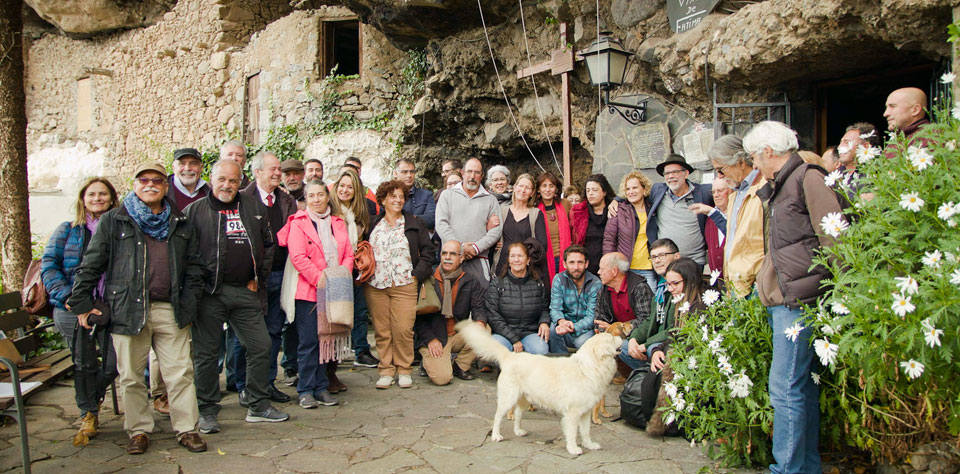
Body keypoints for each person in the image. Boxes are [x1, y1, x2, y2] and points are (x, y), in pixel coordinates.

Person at [67, 163, 206, 455]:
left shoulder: (180, 221)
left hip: (172, 309)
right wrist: (81, 303)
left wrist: (190, 300)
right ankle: (139, 430)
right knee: (130, 375)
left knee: (180, 372)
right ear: (135, 184)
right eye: (144, 179)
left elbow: (194, 267)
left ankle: (187, 429)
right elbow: (91, 264)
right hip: (128, 309)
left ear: (166, 186)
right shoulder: (114, 221)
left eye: (157, 180)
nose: (151, 184)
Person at [744, 120, 844, 474]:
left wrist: (840, 292)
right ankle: (804, 468)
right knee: (799, 388)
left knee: (785, 388)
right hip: (787, 297)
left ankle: (787, 470)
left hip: (801, 300)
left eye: (754, 157)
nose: (753, 164)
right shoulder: (779, 185)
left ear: (767, 152)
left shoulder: (807, 177)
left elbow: (834, 235)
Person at [184, 160, 290, 434]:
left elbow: (268, 244)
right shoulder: (194, 211)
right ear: (211, 179)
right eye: (221, 179)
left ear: (240, 181)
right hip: (210, 294)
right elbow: (184, 255)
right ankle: (207, 410)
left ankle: (258, 405)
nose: (227, 185)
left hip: (245, 290)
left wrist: (258, 279)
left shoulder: (252, 207)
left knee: (260, 345)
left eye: (232, 181)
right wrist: (198, 287)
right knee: (206, 355)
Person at [41, 177, 119, 446]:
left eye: (103, 194)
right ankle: (88, 414)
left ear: (111, 198)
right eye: (92, 194)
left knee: (114, 362)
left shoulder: (119, 229)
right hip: (71, 307)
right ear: (82, 198)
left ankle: (91, 398)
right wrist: (70, 299)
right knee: (84, 363)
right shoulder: (68, 230)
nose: (97, 198)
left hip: (108, 307)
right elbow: (49, 266)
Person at [277, 179, 354, 408]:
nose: (317, 200)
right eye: (312, 196)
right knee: (309, 341)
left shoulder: (338, 223)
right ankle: (306, 389)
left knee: (326, 340)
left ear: (327, 196)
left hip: (334, 290)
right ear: (306, 199)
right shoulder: (298, 223)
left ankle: (321, 387)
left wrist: (340, 275)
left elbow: (349, 252)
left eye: (320, 195)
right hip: (309, 291)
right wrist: (321, 279)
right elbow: (298, 257)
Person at [235, 152, 296, 406]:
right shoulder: (242, 199)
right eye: (272, 169)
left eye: (278, 169)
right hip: (253, 277)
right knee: (246, 334)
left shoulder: (285, 199)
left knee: (273, 331)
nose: (277, 173)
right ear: (257, 172)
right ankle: (243, 386)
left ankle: (267, 383)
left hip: (281, 274)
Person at [365, 180, 436, 389]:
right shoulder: (372, 224)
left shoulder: (414, 223)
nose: (397, 200)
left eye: (401, 197)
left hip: (405, 283)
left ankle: (404, 369)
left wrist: (417, 275)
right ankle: (386, 369)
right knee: (382, 329)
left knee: (403, 328)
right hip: (376, 285)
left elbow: (429, 252)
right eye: (392, 196)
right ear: (383, 199)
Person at [694, 135, 766, 297]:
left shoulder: (762, 189)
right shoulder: (736, 194)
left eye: (721, 169)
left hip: (756, 282)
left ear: (740, 162)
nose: (719, 175)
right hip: (738, 283)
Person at [613, 155, 713, 268]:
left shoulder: (703, 192)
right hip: (665, 262)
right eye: (667, 173)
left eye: (675, 172)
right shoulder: (658, 191)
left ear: (686, 173)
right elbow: (637, 193)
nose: (671, 176)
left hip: (693, 261)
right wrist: (617, 200)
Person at [415, 240, 485, 385]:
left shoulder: (470, 280)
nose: (447, 257)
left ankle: (459, 366)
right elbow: (417, 317)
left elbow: (478, 308)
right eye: (444, 253)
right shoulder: (428, 279)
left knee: (485, 330)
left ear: (461, 258)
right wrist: (430, 340)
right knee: (442, 379)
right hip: (435, 337)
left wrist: (480, 322)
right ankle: (428, 360)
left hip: (457, 334)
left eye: (453, 254)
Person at [620, 257, 706, 371]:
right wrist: (634, 338)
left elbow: (673, 331)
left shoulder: (699, 304)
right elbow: (650, 320)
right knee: (623, 347)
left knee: (654, 351)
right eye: (653, 257)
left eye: (674, 283)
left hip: (673, 345)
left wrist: (648, 346)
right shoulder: (664, 290)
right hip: (663, 342)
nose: (670, 288)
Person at [332, 168, 380, 369]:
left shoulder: (362, 210)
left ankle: (361, 349)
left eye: (350, 187)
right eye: (342, 186)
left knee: (359, 311)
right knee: (335, 313)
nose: (345, 190)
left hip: (356, 267)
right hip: (335, 268)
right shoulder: (330, 209)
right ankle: (334, 354)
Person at [436, 157, 502, 282]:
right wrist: (459, 247)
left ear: (481, 175)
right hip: (451, 259)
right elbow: (441, 224)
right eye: (469, 171)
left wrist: (476, 248)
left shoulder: (490, 199)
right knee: (450, 299)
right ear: (462, 173)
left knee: (480, 300)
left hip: (479, 260)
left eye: (477, 173)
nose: (472, 176)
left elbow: (496, 230)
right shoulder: (447, 195)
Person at [486, 242, 550, 355]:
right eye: (513, 256)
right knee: (495, 350)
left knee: (541, 350)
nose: (516, 260)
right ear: (509, 261)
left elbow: (545, 308)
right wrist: (514, 339)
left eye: (520, 256)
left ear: (528, 260)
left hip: (529, 332)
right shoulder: (498, 284)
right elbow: (493, 315)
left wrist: (544, 322)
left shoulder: (537, 283)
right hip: (504, 334)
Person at [603, 172, 657, 291]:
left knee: (651, 305)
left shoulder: (653, 209)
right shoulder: (618, 210)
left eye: (635, 187)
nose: (631, 191)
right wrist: (609, 265)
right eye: (628, 189)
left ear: (644, 189)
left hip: (649, 268)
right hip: (626, 268)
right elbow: (609, 240)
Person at [493, 173, 548, 285]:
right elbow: (491, 233)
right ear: (514, 187)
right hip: (502, 263)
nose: (523, 190)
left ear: (532, 193)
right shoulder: (502, 210)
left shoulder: (536, 214)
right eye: (520, 186)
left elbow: (542, 245)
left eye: (527, 188)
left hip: (526, 268)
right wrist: (495, 244)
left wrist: (525, 259)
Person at [547, 245, 601, 354]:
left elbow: (592, 316)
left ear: (586, 264)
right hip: (564, 325)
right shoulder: (559, 279)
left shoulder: (595, 283)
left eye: (580, 262)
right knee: (553, 330)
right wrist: (561, 322)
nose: (576, 267)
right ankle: (561, 363)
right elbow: (555, 308)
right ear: (564, 264)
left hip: (585, 329)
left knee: (582, 343)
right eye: (571, 262)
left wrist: (573, 327)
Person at [571, 174, 615, 276]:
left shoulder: (614, 210)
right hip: (586, 267)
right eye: (588, 190)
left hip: (610, 265)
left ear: (604, 192)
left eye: (594, 190)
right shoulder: (578, 212)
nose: (590, 194)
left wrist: (617, 200)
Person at [690, 177, 733, 279]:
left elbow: (734, 236)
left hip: (736, 277)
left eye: (720, 191)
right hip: (717, 278)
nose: (716, 195)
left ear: (731, 191)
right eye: (713, 192)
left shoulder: (737, 214)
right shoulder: (709, 217)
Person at [535, 172, 572, 286]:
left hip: (565, 258)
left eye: (551, 186)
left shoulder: (565, 204)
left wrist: (616, 200)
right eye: (544, 186)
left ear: (556, 189)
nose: (548, 189)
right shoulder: (534, 209)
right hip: (544, 260)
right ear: (538, 190)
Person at [396, 158, 436, 230]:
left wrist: (407, 220)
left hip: (420, 238)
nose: (409, 175)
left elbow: (432, 219)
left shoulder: (426, 195)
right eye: (404, 172)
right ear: (395, 174)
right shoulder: (389, 196)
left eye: (412, 172)